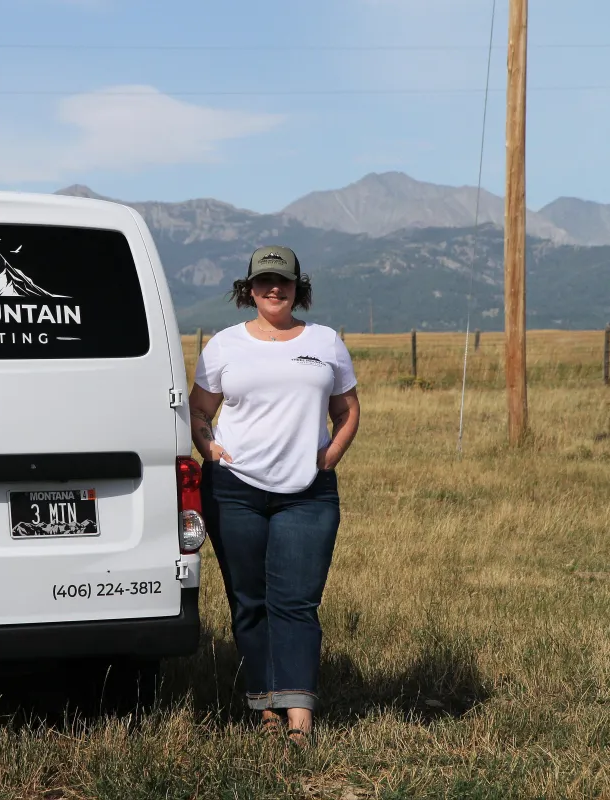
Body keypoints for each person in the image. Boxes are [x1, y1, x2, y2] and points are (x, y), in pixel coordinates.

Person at [190, 245, 360, 745]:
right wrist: (210, 448)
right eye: (264, 280)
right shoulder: (223, 345)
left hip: (308, 494)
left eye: (283, 280)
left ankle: (299, 717)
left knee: (297, 603)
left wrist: (330, 457)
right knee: (249, 603)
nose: (274, 288)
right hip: (234, 491)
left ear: (297, 287)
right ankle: (265, 705)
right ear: (248, 288)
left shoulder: (326, 342)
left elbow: (347, 411)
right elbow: (199, 410)